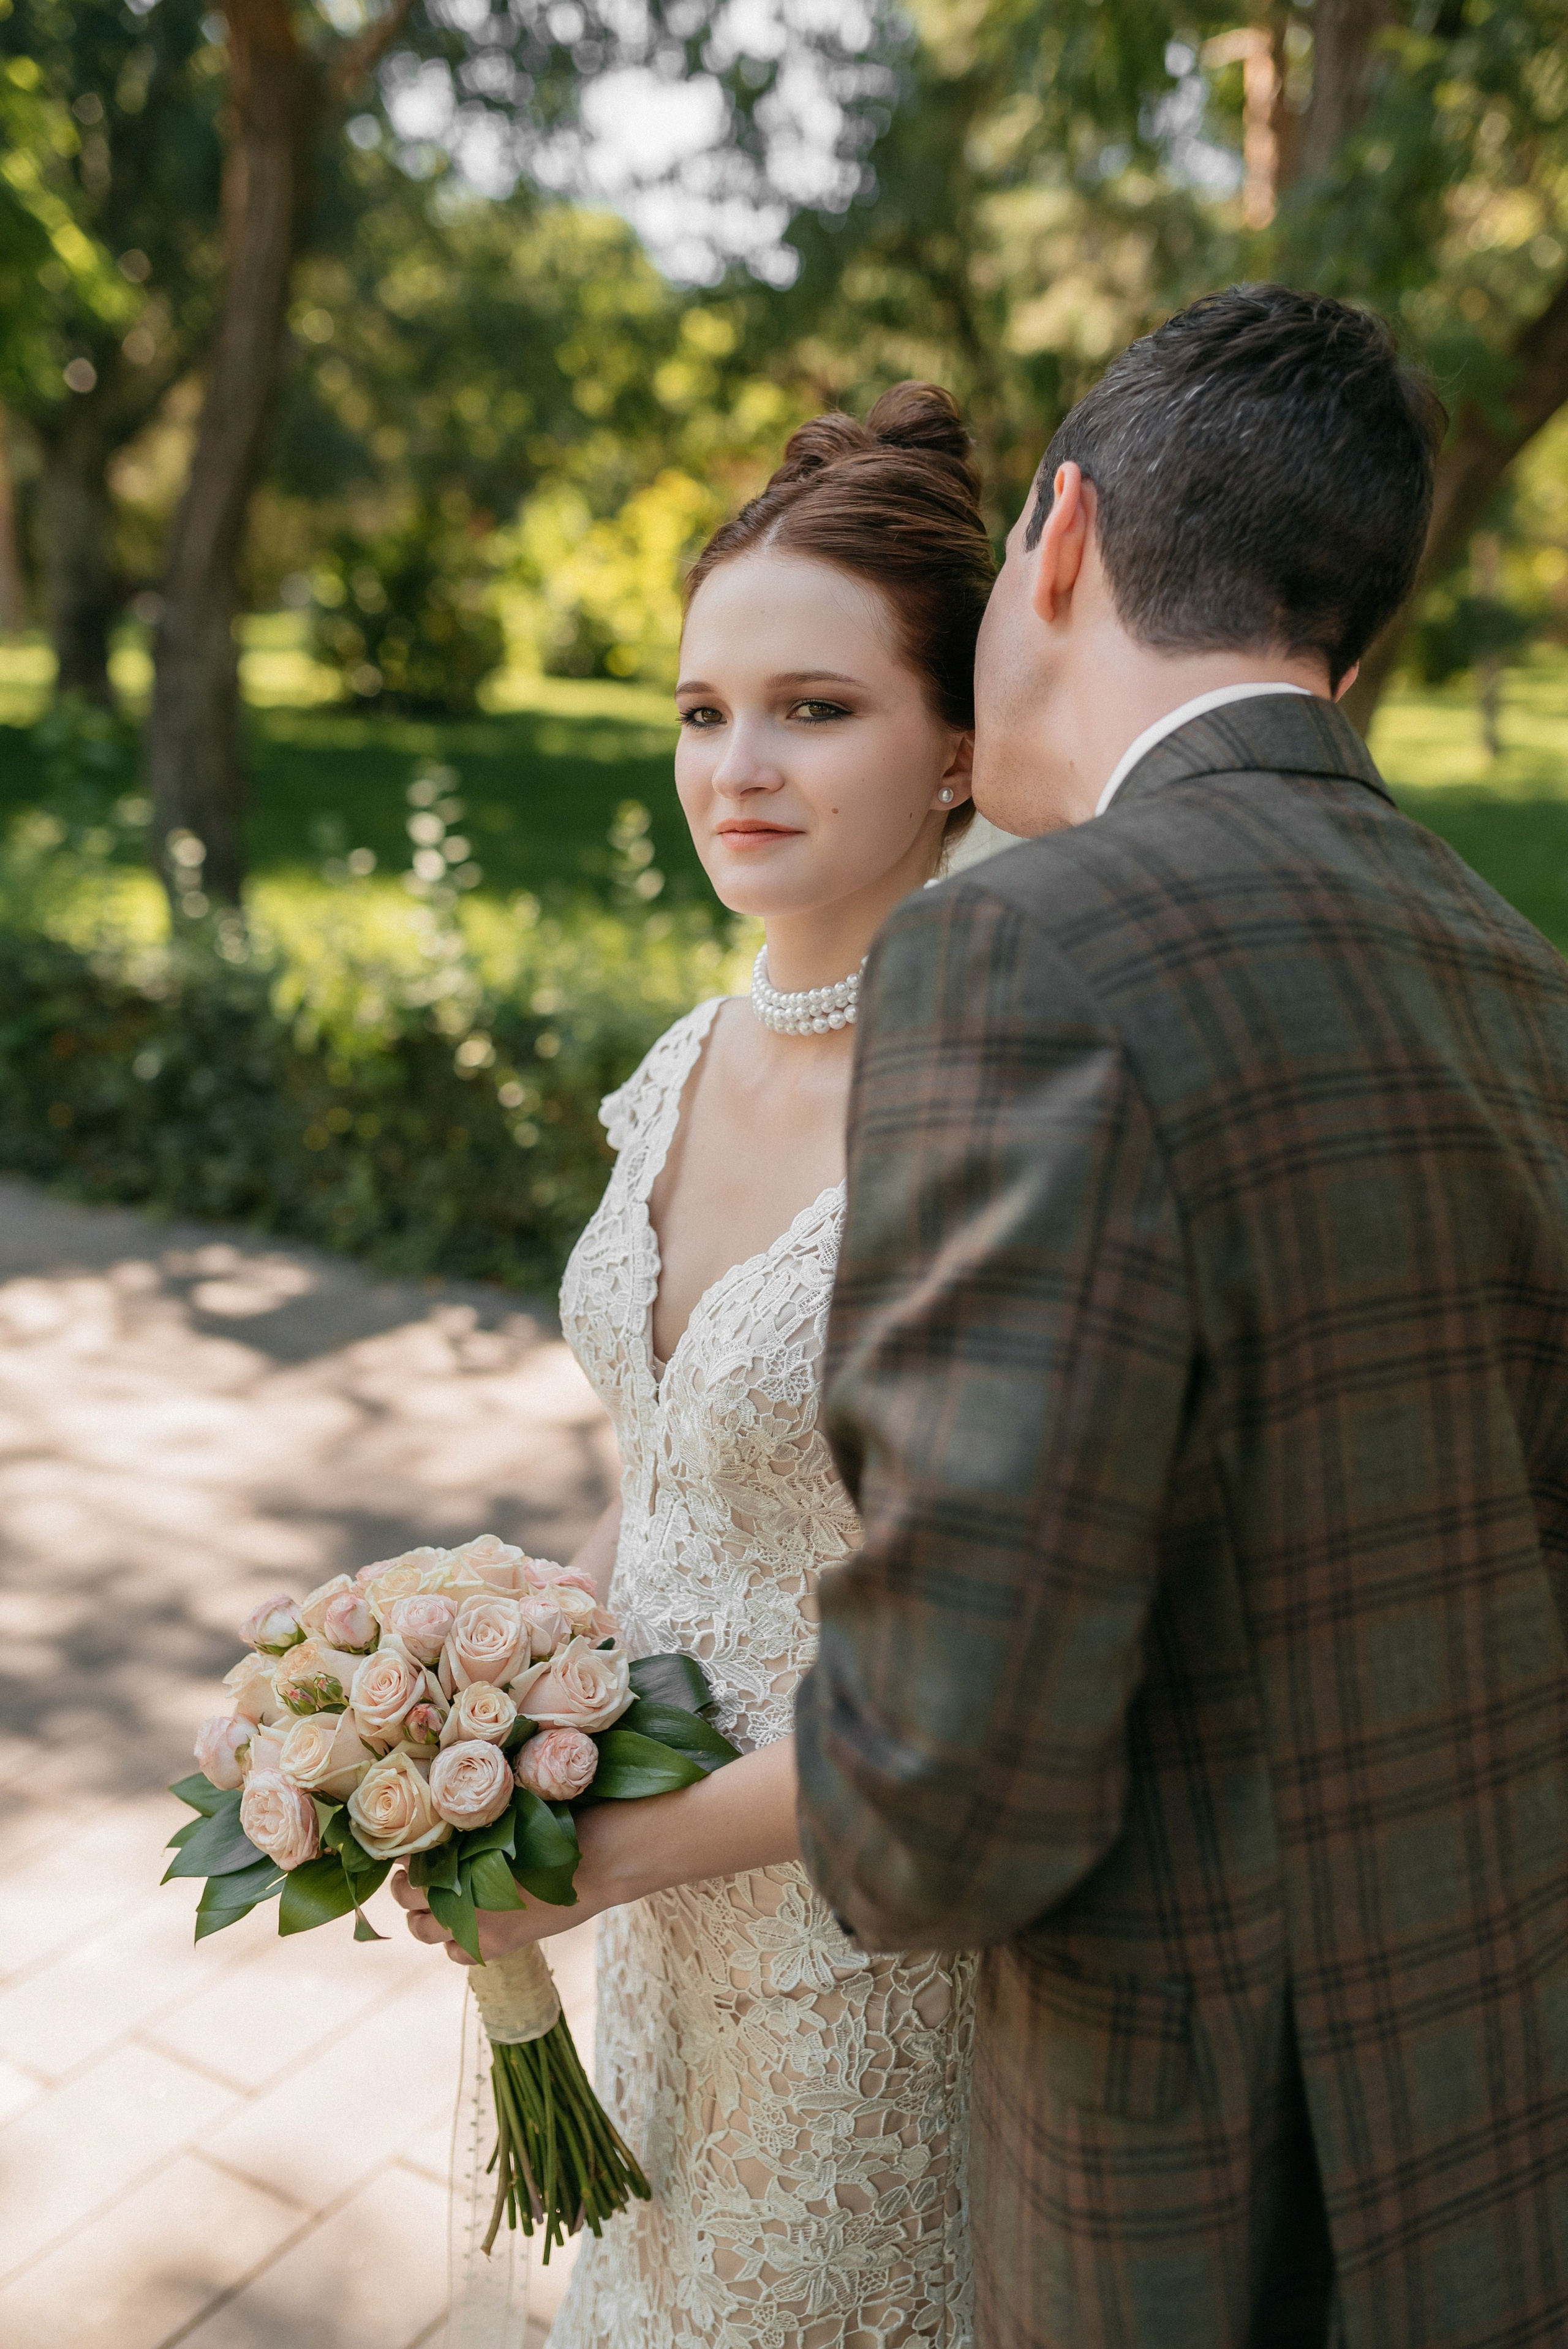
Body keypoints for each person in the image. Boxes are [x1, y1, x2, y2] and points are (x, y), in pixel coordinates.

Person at [794, 283, 1568, 2348]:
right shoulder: (1521, 976)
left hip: (1189, 2198)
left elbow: (942, 1806)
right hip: (1498, 2134)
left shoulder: (1025, 955)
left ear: (1057, 538)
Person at [397, 382, 993, 2348]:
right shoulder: (681, 1062)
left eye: (816, 709)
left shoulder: (981, 1115)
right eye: (700, 709)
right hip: (645, 1916)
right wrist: (507, 1679)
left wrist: (603, 1852)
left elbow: (978, 1674)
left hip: (855, 1954)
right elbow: (673, 1465)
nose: (736, 764)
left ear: (960, 747)